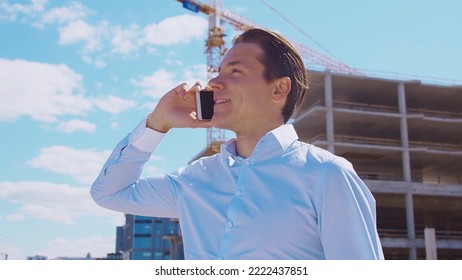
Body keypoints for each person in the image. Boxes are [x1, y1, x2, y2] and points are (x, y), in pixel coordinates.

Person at [91, 28, 384, 260]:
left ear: (279, 88)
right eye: (217, 72)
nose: (214, 82)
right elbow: (110, 193)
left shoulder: (328, 175)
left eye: (235, 71)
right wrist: (157, 124)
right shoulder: (195, 179)